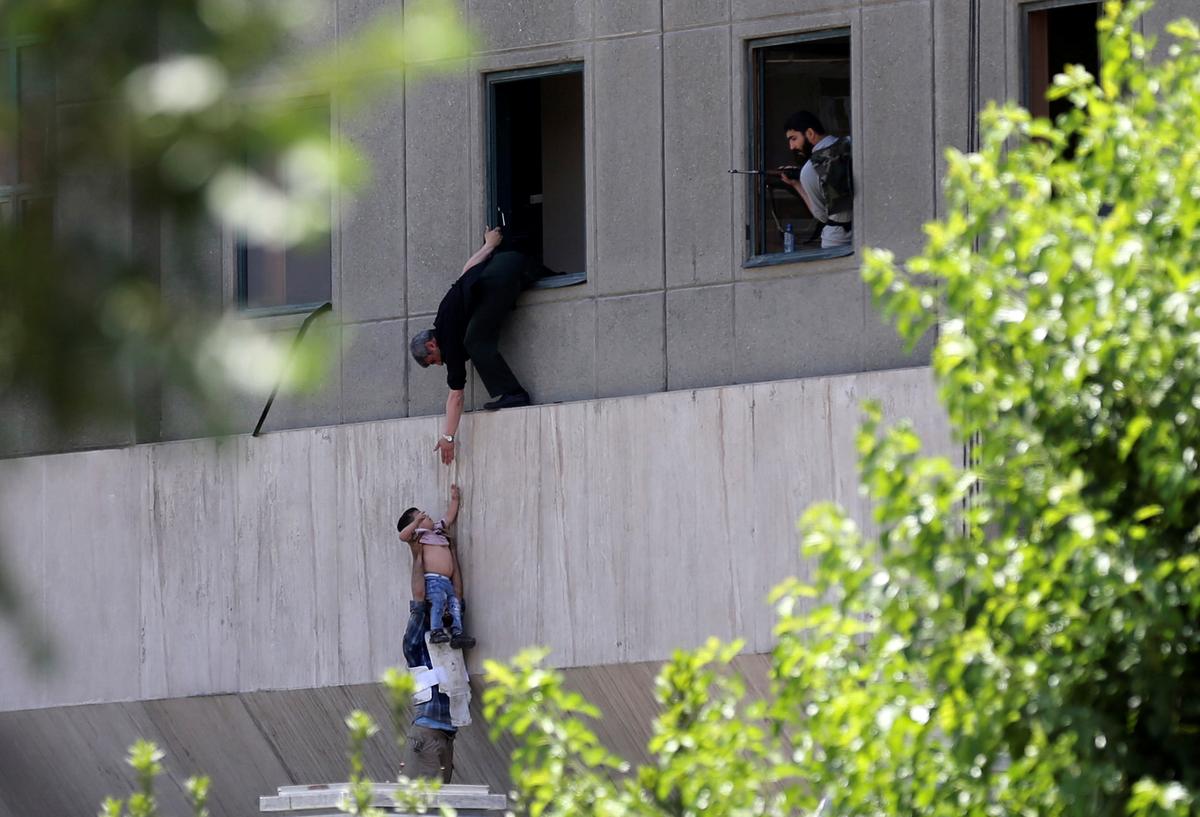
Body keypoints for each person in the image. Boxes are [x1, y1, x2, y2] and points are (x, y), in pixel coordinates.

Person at [409, 227, 552, 465]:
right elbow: (466, 272)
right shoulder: (444, 315)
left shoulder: (451, 342)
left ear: (432, 344)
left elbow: (456, 395)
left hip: (506, 270)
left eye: (432, 360)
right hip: (508, 263)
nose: (438, 364)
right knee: (474, 338)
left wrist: (448, 437)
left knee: (474, 342)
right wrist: (488, 246)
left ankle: (515, 394)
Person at [398, 503, 468, 782]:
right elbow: (418, 601)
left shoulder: (452, 636)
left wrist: (451, 554)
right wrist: (417, 557)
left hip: (446, 736)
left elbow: (458, 595)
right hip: (426, 737)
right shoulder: (417, 642)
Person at [397, 484, 474, 650]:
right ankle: (436, 631)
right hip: (433, 580)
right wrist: (416, 522)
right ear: (416, 525)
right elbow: (402, 536)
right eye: (421, 516)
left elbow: (450, 516)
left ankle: (457, 633)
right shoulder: (420, 537)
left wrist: (455, 498)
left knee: (455, 604)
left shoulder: (439, 530)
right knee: (438, 602)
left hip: (447, 580)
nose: (426, 516)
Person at [780, 110, 853, 249]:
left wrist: (797, 185)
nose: (791, 146)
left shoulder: (809, 170)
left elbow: (821, 215)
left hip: (838, 241)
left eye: (793, 138)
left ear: (810, 133)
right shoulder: (852, 144)